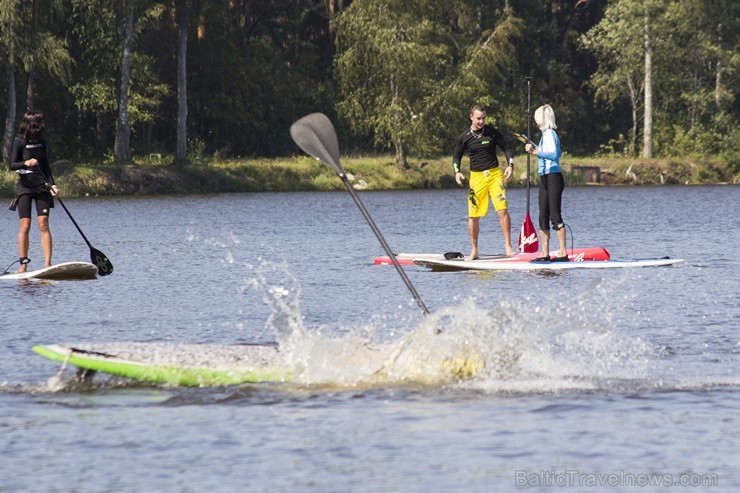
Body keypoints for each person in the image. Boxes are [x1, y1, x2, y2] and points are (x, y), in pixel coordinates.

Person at [452, 103, 515, 260]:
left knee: (502, 210)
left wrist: (510, 165)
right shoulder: (464, 137)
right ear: (471, 117)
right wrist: (457, 172)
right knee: (473, 216)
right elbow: (456, 156)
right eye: (478, 118)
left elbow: (506, 147)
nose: (481, 121)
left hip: (494, 175)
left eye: (484, 118)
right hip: (477, 178)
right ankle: (474, 250)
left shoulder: (492, 133)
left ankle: (508, 247)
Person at [8, 111, 59, 273]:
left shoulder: (41, 143)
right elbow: (12, 165)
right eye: (38, 124)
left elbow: (46, 166)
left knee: (43, 223)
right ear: (30, 125)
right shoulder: (19, 142)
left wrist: (53, 185)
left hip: (42, 187)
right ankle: (23, 265)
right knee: (25, 225)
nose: (41, 127)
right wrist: (26, 162)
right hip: (25, 188)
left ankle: (48, 265)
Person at [524, 104, 567, 261]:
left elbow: (555, 154)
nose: (536, 123)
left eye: (537, 119)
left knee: (554, 215)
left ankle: (563, 252)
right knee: (543, 215)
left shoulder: (549, 133)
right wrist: (537, 149)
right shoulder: (545, 136)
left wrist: (535, 151)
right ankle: (545, 252)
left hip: (554, 177)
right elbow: (557, 151)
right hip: (544, 177)